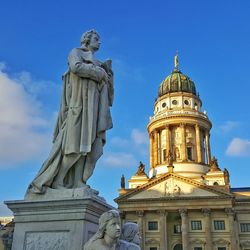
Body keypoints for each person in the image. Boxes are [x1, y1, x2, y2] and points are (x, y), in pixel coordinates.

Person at [26, 30, 114, 194]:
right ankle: (59, 180)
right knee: (74, 144)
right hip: (79, 106)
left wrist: (107, 74)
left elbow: (107, 90)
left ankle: (78, 181)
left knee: (87, 147)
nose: (100, 42)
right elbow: (76, 67)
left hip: (93, 108)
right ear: (87, 40)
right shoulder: (76, 52)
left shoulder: (99, 62)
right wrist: (99, 72)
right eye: (96, 39)